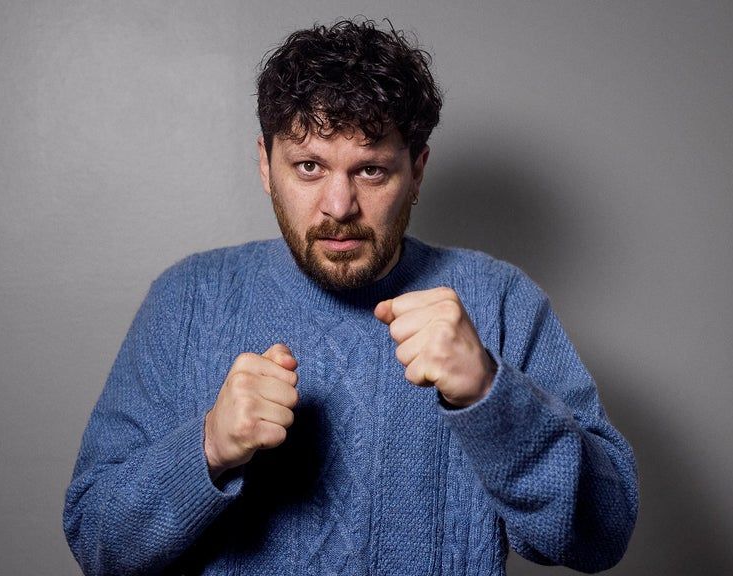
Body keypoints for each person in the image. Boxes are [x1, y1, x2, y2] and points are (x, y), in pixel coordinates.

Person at [63, 18, 638, 575]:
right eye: (309, 167)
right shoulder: (188, 301)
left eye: (371, 171)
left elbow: (602, 536)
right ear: (265, 165)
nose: (339, 206)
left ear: (417, 171)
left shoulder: (501, 301)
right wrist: (207, 448)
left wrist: (491, 395)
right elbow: (96, 539)